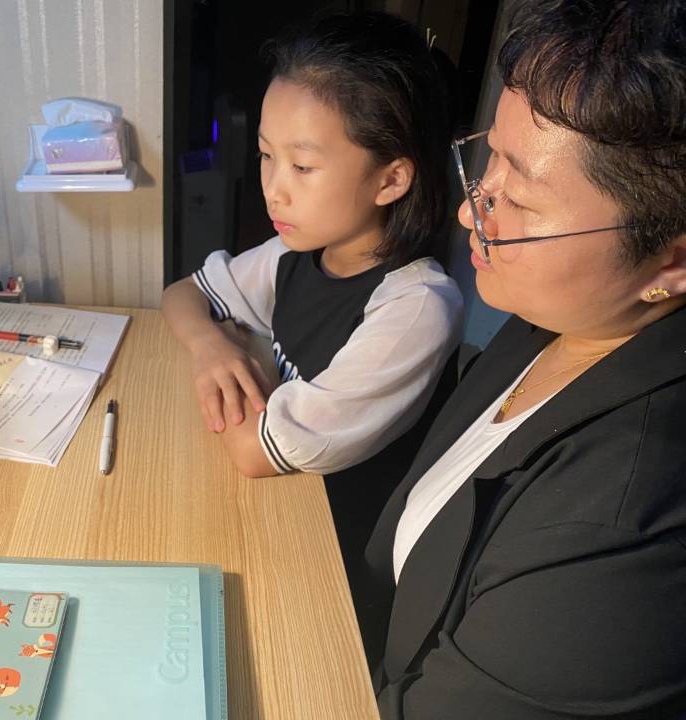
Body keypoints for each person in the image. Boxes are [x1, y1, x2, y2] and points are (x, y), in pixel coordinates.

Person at [358, 1, 686, 716]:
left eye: (523, 202)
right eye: (490, 161)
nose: (470, 212)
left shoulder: (620, 536)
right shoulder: (558, 322)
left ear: (673, 260)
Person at [162, 13, 463, 576]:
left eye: (302, 166)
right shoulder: (299, 251)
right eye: (266, 155)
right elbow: (181, 296)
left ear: (391, 179)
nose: (273, 189)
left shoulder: (416, 306)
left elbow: (252, 453)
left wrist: (247, 350)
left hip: (331, 560)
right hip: (274, 511)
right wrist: (213, 347)